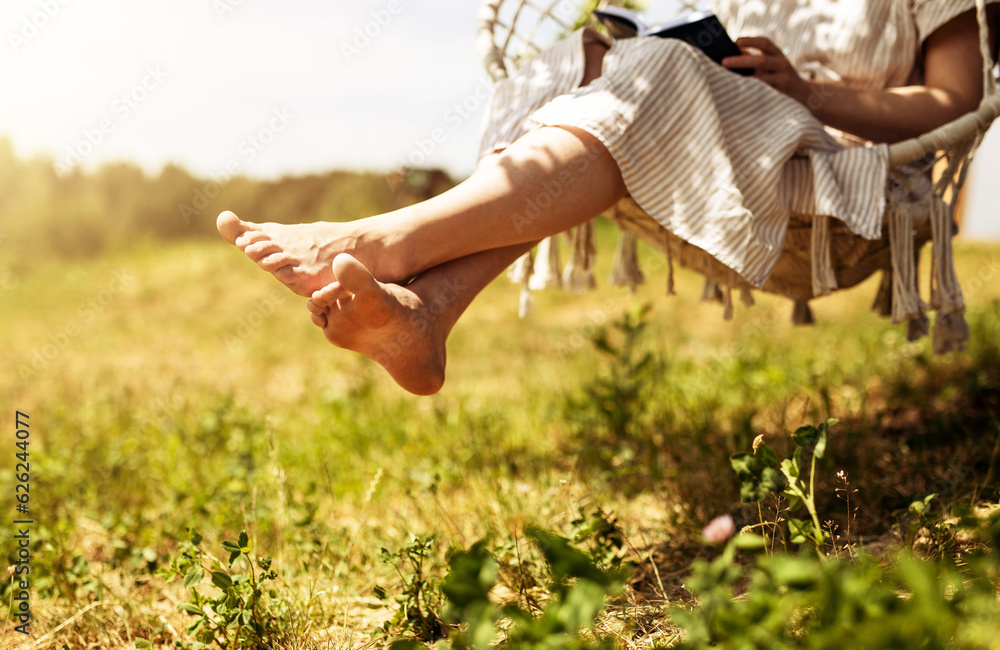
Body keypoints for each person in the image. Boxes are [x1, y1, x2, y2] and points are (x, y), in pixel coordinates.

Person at [216, 0, 999, 396]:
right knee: (574, 64)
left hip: (834, 177)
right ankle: (427, 315)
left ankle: (391, 241)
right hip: (715, 153)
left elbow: (953, 104)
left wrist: (809, 91)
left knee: (654, 84)